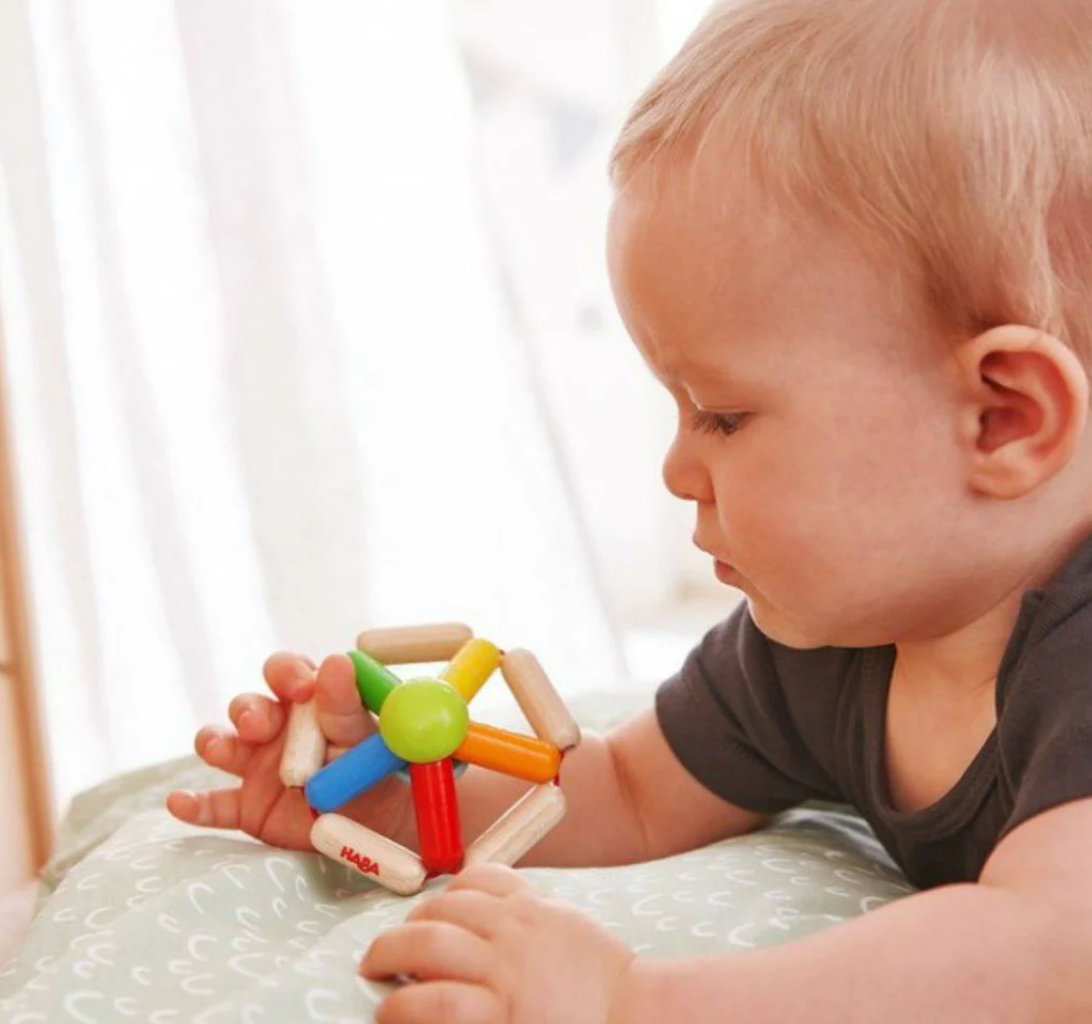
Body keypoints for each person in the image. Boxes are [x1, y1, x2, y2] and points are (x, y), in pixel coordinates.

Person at [168, 0, 1092, 1019]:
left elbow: (1048, 954)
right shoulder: (827, 641)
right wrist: (397, 799)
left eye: (724, 415)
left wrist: (628, 999)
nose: (675, 470)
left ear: (1002, 419)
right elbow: (629, 794)